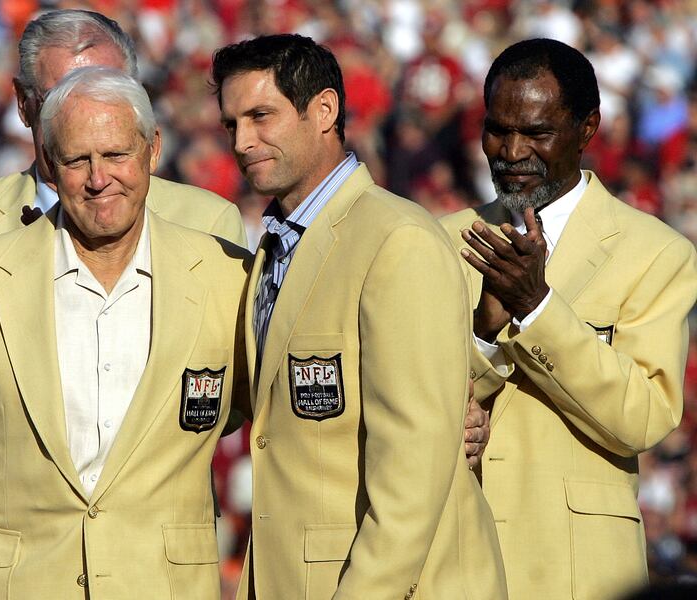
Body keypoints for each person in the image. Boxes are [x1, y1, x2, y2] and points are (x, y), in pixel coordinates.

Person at [0, 66, 249, 599]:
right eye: (77, 159)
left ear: (152, 151)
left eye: (115, 155)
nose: (99, 178)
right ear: (46, 164)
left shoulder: (227, 276)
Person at [211, 34, 507, 600]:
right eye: (231, 124)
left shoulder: (396, 240)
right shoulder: (275, 245)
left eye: (260, 116)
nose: (243, 141)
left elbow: (412, 471)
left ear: (324, 110)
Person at [441, 38, 697, 600]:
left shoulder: (656, 252)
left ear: (587, 128)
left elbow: (644, 417)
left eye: (536, 133)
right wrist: (483, 337)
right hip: (456, 558)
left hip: (581, 570)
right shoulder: (438, 239)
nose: (511, 151)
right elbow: (404, 394)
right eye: (497, 129)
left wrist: (537, 310)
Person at [0, 9, 247, 417]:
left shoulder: (206, 222)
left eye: (106, 94)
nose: (84, 115)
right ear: (23, 104)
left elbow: (233, 398)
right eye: (59, 97)